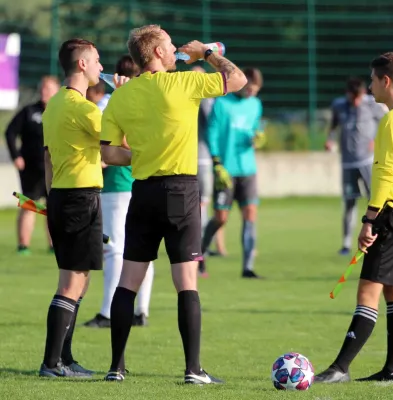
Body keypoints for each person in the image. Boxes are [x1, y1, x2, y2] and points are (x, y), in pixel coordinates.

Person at [99, 25, 247, 383]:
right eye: (169, 44)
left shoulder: (121, 95)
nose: (176, 48)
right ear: (159, 54)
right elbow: (238, 80)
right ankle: (193, 370)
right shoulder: (183, 83)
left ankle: (115, 368)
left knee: (128, 281)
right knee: (186, 282)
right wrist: (207, 53)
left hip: (143, 192)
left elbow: (107, 151)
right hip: (181, 191)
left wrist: (142, 156)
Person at [315, 52, 393, 384]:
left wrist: (369, 219)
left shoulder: (391, 121)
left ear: (386, 81)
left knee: (367, 292)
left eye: (374, 79)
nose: (371, 85)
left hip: (391, 214)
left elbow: (388, 173)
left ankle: (340, 368)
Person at [39, 38, 130, 378]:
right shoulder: (85, 109)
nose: (101, 68)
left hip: (64, 197)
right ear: (82, 65)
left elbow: (51, 159)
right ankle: (51, 363)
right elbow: (117, 147)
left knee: (78, 281)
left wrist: (52, 204)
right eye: (97, 61)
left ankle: (64, 359)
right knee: (72, 284)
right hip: (80, 198)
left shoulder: (55, 105)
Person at [83, 55, 155, 328]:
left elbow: (101, 143)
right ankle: (141, 310)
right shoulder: (148, 101)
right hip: (142, 179)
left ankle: (107, 313)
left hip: (116, 182)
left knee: (113, 249)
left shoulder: (108, 102)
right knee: (142, 248)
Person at [200, 67, 265, 279]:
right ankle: (200, 256)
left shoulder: (255, 105)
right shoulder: (222, 103)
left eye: (255, 90)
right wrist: (216, 163)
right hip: (225, 170)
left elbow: (255, 129)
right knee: (220, 218)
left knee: (250, 216)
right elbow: (212, 133)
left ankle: (248, 267)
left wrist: (258, 138)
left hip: (248, 169)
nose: (251, 93)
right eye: (249, 89)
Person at [325, 76, 388, 255]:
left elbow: (387, 121)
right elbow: (333, 125)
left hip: (368, 161)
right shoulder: (339, 106)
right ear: (348, 95)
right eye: (354, 97)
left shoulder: (372, 104)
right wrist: (329, 140)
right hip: (348, 162)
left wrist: (377, 140)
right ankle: (346, 243)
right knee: (349, 202)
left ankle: (378, 236)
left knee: (374, 201)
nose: (357, 101)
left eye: (359, 96)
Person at [4, 75, 59, 254]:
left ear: (57, 92)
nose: (45, 92)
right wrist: (16, 156)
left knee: (53, 209)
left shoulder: (62, 112)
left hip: (55, 169)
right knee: (30, 206)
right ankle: (23, 246)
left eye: (49, 89)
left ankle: (54, 246)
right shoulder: (29, 111)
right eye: (43, 88)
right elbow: (10, 133)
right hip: (31, 170)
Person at [191, 65, 227, 273]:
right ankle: (200, 254)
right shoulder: (206, 99)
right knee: (201, 207)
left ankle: (200, 252)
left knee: (198, 208)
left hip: (192, 158)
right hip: (202, 159)